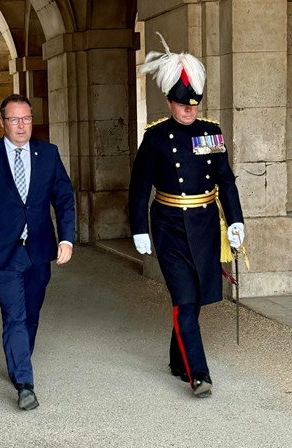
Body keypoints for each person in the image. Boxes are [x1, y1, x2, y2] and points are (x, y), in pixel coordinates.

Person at [129, 33, 244, 398]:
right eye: (182, 104)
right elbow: (138, 185)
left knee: (196, 299)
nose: (188, 109)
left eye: (193, 104)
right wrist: (139, 228)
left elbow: (225, 181)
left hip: (206, 225)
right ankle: (198, 373)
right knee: (183, 298)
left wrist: (237, 220)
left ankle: (178, 359)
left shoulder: (211, 133)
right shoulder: (157, 137)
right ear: (169, 102)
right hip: (169, 226)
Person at [0, 94, 75, 410]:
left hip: (39, 248)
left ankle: (19, 358)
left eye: (26, 118)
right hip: (2, 251)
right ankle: (25, 384)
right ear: (3, 122)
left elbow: (64, 199)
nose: (21, 125)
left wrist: (66, 238)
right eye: (14, 119)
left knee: (31, 315)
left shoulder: (48, 154)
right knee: (14, 315)